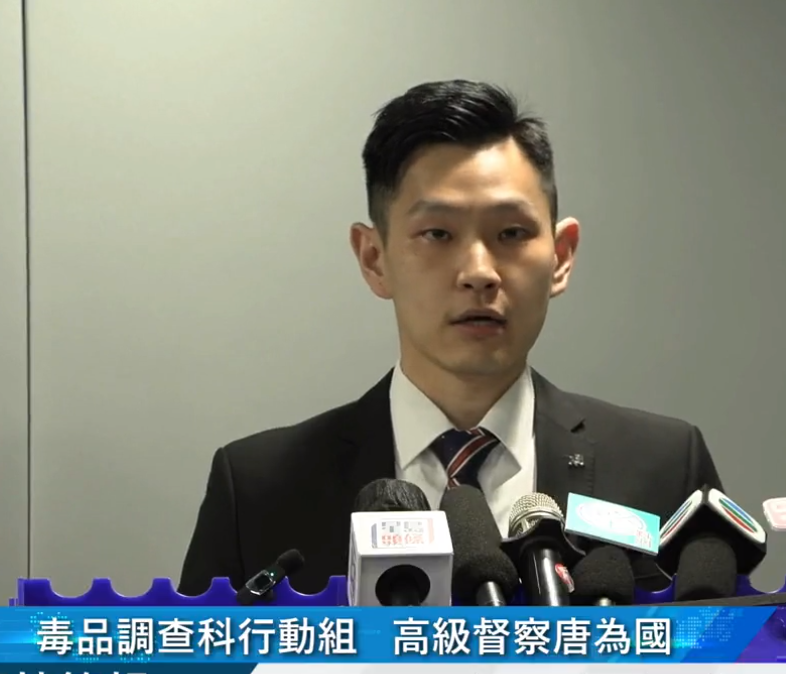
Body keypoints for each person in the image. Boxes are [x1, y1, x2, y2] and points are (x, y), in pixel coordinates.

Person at [177, 79, 723, 597]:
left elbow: (732, 656)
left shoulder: (663, 465)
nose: (479, 272)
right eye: (438, 233)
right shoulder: (259, 489)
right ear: (374, 258)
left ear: (560, 256)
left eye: (511, 233)